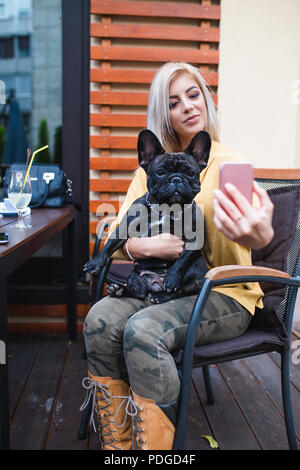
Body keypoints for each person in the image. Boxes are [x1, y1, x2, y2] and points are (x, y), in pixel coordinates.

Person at [82, 62, 274, 450]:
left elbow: (260, 227)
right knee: (98, 319)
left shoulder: (230, 164)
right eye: (173, 102)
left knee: (143, 330)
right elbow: (122, 237)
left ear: (206, 100)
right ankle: (118, 445)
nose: (187, 106)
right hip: (159, 284)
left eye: (193, 94)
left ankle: (154, 450)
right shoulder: (150, 168)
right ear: (162, 112)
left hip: (223, 291)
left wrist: (261, 231)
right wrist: (148, 246)